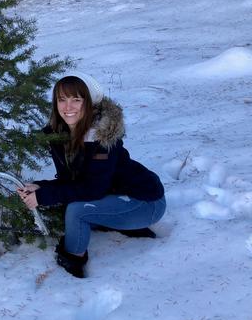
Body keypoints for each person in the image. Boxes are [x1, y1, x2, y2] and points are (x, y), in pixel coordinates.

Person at [17, 73, 166, 278]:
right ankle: (116, 221)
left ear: (89, 103)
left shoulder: (100, 138)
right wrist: (40, 187)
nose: (67, 107)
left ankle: (73, 260)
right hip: (116, 194)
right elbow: (71, 181)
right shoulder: (62, 134)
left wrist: (43, 197)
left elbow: (93, 189)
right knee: (73, 204)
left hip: (146, 202)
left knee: (77, 211)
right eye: (62, 99)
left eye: (76, 99)